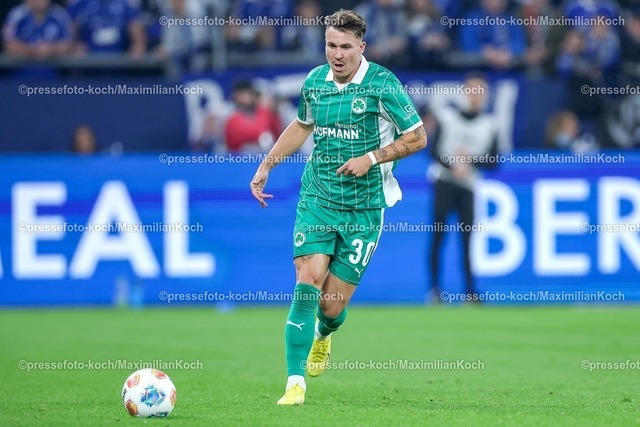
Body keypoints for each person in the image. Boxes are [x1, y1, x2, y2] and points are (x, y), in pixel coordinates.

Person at [249, 9, 427, 405]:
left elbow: (418, 137)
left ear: (362, 47)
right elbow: (302, 125)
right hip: (318, 198)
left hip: (365, 208)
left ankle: (323, 334)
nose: (337, 54)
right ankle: (295, 382)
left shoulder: (382, 84)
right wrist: (267, 165)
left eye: (345, 46)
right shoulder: (316, 82)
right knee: (307, 278)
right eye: (331, 45)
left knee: (331, 307)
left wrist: (372, 158)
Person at [427, 74, 498, 302]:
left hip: (468, 186)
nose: (475, 96)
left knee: (467, 241)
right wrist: (452, 165)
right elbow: (433, 151)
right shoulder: (447, 118)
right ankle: (435, 290)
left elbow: (494, 161)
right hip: (444, 182)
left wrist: (471, 162)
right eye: (471, 90)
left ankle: (470, 292)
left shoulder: (490, 125)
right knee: (438, 236)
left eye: (480, 91)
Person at [224, 79, 282, 153]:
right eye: (243, 95)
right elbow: (252, 134)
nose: (246, 98)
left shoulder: (263, 113)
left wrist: (273, 112)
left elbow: (277, 133)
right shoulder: (231, 117)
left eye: (250, 94)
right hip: (240, 158)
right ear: (236, 96)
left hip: (265, 156)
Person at [2, 0, 72, 60]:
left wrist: (51, 49)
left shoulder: (60, 15)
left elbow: (69, 44)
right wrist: (33, 51)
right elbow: (9, 44)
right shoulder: (16, 15)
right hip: (21, 68)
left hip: (53, 68)